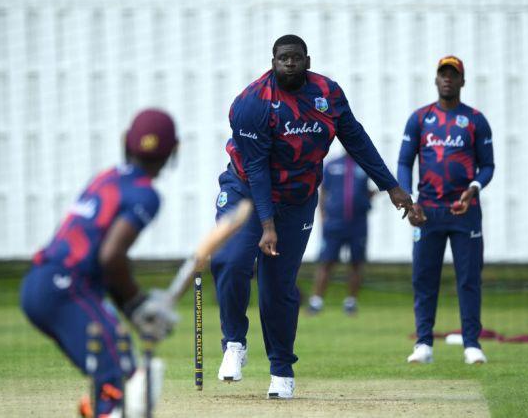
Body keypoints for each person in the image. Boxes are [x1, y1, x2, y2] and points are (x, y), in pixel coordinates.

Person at [211, 34, 414, 399]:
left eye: (295, 57)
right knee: (230, 260)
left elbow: (356, 140)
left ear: (307, 60)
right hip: (245, 192)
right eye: (282, 58)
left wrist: (391, 186)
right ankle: (234, 344)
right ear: (272, 62)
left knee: (277, 286)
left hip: (296, 198)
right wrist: (267, 225)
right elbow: (256, 168)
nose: (289, 63)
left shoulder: (327, 95)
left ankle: (281, 370)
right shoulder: (251, 103)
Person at [20, 109, 180, 417]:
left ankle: (97, 408)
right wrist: (137, 302)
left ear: (126, 142)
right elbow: (111, 256)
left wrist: (133, 308)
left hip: (41, 282)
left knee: (117, 377)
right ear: (174, 150)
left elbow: (105, 260)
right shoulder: (146, 195)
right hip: (66, 288)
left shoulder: (106, 177)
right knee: (123, 383)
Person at [397, 56, 495, 365]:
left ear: (463, 81)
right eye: (443, 74)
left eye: (454, 75)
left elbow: (488, 165)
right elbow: (404, 162)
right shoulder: (420, 118)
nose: (448, 79)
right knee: (424, 278)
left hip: (464, 210)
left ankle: (472, 344)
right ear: (436, 80)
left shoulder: (475, 120)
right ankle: (424, 344)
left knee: (468, 278)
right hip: (427, 212)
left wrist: (474, 188)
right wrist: (409, 201)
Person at [307, 152, 375, 316]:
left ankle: (351, 302)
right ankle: (316, 302)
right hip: (334, 223)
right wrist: (323, 215)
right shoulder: (332, 165)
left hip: (358, 224)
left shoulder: (364, 164)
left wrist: (369, 197)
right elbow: (323, 191)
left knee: (356, 263)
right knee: (326, 262)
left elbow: (367, 192)